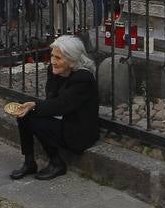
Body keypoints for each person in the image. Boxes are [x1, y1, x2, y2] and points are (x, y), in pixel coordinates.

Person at [9, 34, 100, 181]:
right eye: (52, 56)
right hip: (63, 120)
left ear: (72, 61)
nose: (53, 61)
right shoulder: (56, 71)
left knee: (33, 116)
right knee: (24, 113)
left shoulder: (83, 79)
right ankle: (29, 161)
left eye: (58, 58)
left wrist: (35, 105)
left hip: (78, 131)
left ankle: (56, 163)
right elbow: (51, 98)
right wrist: (32, 106)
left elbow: (61, 105)